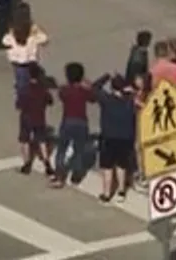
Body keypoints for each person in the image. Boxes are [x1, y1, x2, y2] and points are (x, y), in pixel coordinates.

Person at [52, 62, 95, 188]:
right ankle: (76, 175)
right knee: (79, 149)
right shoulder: (83, 91)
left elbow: (61, 95)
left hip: (67, 121)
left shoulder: (65, 90)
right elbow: (93, 98)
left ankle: (59, 175)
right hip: (81, 122)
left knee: (62, 149)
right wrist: (89, 86)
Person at [96, 74, 137, 202]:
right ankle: (121, 191)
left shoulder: (106, 99)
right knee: (121, 165)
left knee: (107, 166)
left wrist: (106, 76)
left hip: (109, 137)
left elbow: (95, 87)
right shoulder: (130, 102)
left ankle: (107, 193)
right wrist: (132, 91)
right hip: (126, 138)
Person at [15, 62, 54, 176]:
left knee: (25, 140)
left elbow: (19, 105)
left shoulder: (25, 89)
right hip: (39, 116)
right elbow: (50, 101)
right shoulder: (42, 89)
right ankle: (47, 162)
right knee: (42, 140)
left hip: (26, 117)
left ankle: (27, 163)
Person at [2, 4, 48, 97]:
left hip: (15, 59)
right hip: (29, 58)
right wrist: (38, 31)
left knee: (19, 76)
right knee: (26, 78)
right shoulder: (32, 29)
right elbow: (44, 39)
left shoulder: (13, 29)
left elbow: (5, 41)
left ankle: (21, 93)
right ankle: (26, 92)